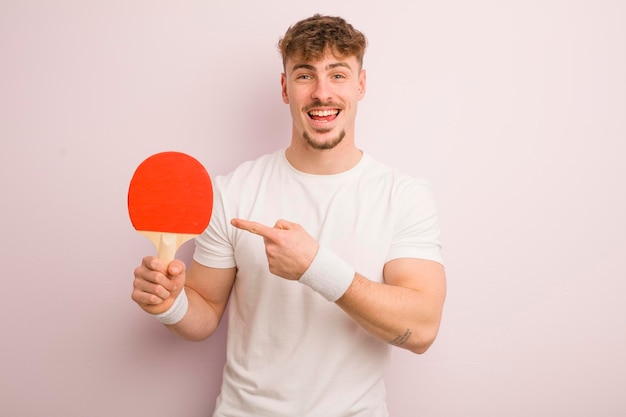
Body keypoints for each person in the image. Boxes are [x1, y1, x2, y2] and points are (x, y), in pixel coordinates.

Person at [132, 14, 446, 417]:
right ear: (284, 88)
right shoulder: (233, 191)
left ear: (361, 85)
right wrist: (170, 304)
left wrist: (315, 266)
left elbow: (420, 330)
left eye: (337, 75)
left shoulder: (403, 197)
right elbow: (205, 311)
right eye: (304, 76)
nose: (321, 93)